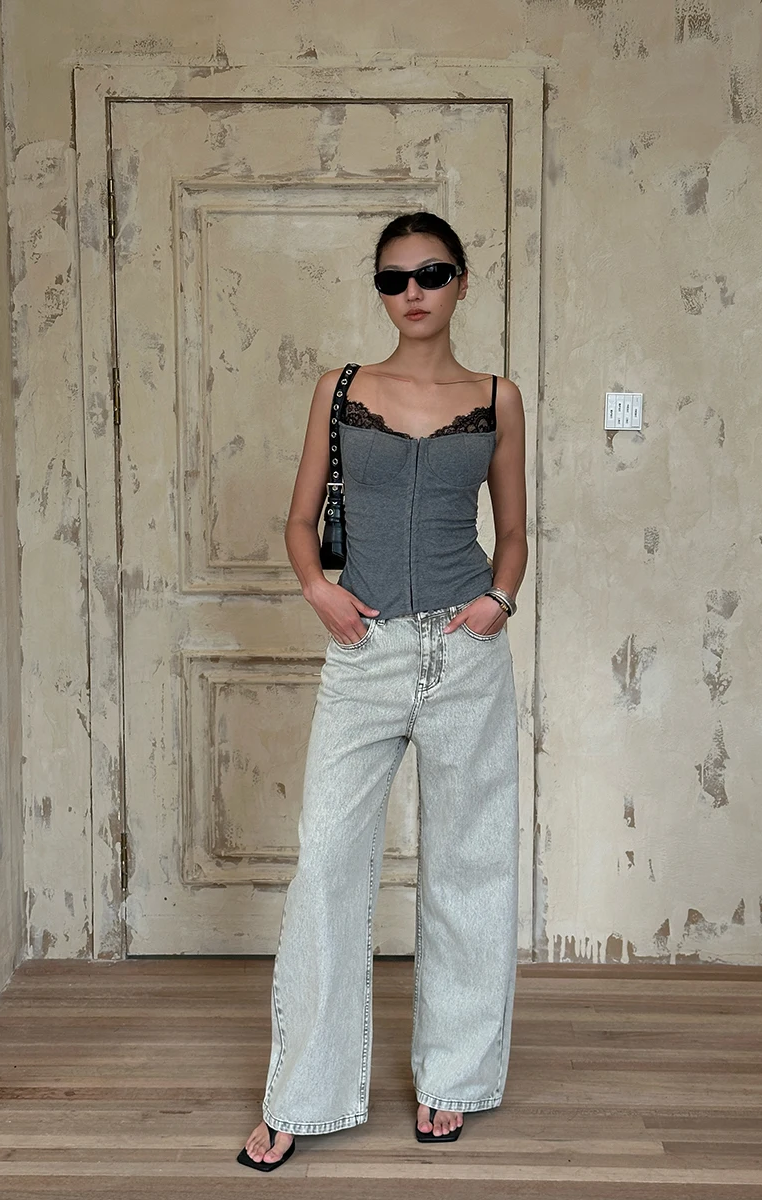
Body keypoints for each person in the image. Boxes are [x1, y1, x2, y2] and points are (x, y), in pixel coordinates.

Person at [237, 211, 527, 1172]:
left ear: (462, 282)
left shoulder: (498, 398)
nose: (414, 292)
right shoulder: (340, 389)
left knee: (470, 865)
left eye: (432, 274)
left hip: (466, 653)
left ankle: (454, 1078)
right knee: (327, 861)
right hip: (364, 655)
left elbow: (514, 531)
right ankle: (301, 1095)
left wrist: (499, 600)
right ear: (380, 290)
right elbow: (299, 519)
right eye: (395, 278)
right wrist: (318, 591)